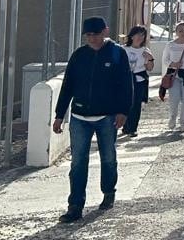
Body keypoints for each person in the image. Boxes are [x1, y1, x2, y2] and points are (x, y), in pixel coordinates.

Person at [52, 16, 134, 222]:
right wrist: (59, 115)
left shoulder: (117, 53)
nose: (92, 39)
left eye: (95, 34)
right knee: (78, 162)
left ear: (105, 32)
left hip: (107, 116)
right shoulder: (79, 56)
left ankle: (108, 191)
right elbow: (67, 86)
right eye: (88, 35)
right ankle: (75, 205)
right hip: (80, 117)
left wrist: (124, 111)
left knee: (108, 157)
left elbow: (126, 84)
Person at [121, 25, 153, 138]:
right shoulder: (124, 49)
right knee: (125, 103)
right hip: (125, 79)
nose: (140, 37)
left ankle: (133, 128)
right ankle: (125, 125)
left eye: (142, 35)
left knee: (136, 104)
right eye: (138, 34)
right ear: (132, 36)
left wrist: (150, 59)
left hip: (139, 79)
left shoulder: (145, 50)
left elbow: (149, 68)